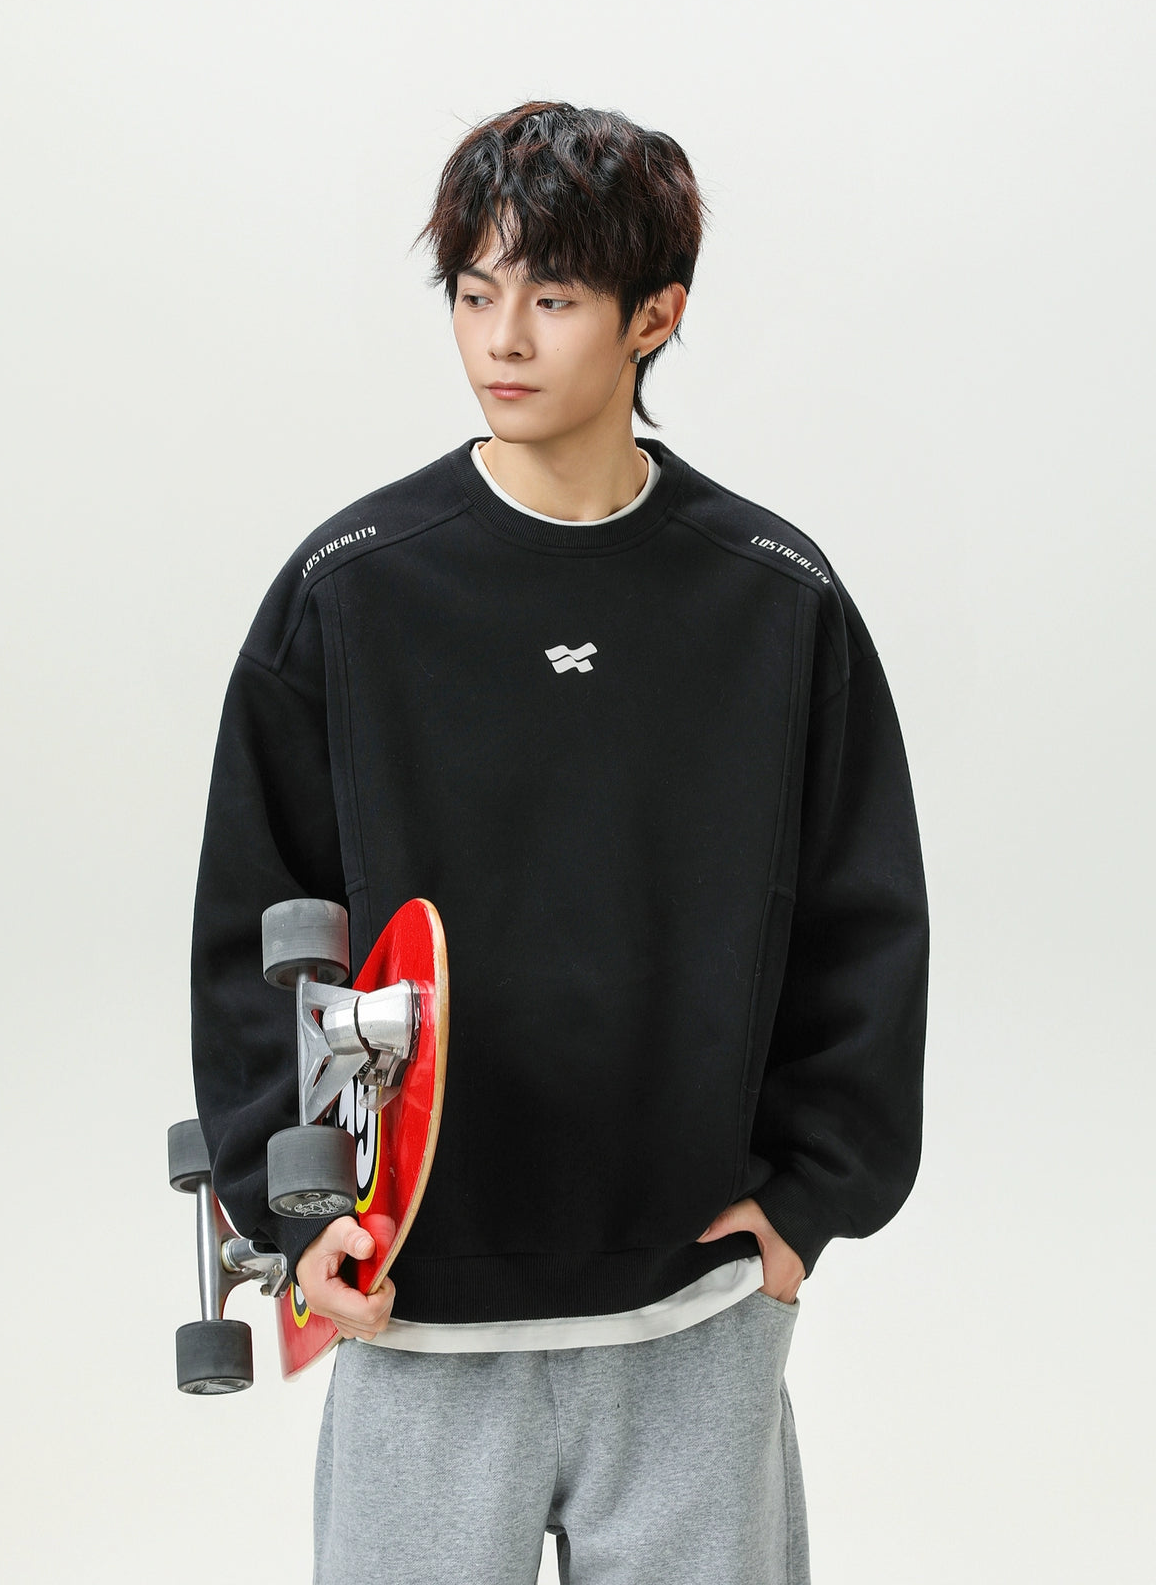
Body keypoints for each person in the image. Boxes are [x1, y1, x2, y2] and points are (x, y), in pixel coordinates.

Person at [191, 100, 929, 1585]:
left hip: (690, 1313)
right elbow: (256, 923)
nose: (503, 339)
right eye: (475, 294)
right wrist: (291, 1209)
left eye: (555, 297)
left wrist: (809, 1203)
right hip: (417, 1309)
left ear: (656, 314)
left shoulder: (774, 597)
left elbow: (863, 923)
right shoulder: (352, 591)